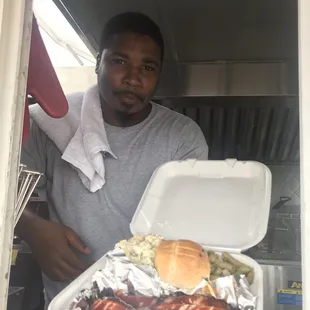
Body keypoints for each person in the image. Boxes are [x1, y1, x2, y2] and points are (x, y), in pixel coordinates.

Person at [17, 12, 209, 306]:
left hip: (153, 300)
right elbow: (7, 190)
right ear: (98, 63)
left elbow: (188, 232)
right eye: (119, 61)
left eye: (147, 67)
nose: (133, 78)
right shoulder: (52, 121)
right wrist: (29, 225)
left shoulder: (182, 137)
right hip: (71, 299)